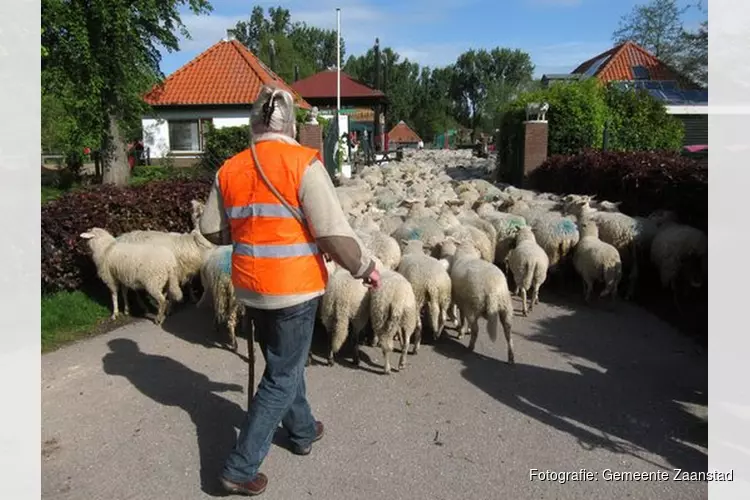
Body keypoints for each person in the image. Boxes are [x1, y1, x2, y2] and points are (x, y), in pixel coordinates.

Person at [199, 84, 381, 497]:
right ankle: (239, 467)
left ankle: (301, 430)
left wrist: (246, 232)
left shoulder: (230, 168)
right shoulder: (303, 163)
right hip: (295, 288)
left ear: (253, 123)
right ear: (292, 125)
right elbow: (333, 234)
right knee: (281, 375)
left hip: (250, 286)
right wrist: (366, 268)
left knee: (284, 361)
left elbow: (210, 229)